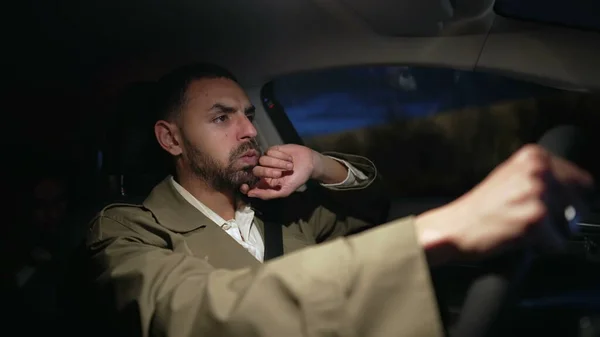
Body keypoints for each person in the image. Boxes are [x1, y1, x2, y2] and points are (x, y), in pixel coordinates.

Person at [86, 63, 593, 337]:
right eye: (222, 118)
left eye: (247, 113)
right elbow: (190, 314)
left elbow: (375, 206)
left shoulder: (276, 205)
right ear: (171, 140)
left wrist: (320, 164)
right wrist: (438, 234)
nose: (248, 131)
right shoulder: (126, 229)